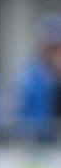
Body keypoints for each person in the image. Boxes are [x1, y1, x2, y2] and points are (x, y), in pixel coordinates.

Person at [17, 13, 61, 142]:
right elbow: (26, 108)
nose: (54, 51)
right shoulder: (30, 74)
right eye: (51, 47)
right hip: (41, 140)